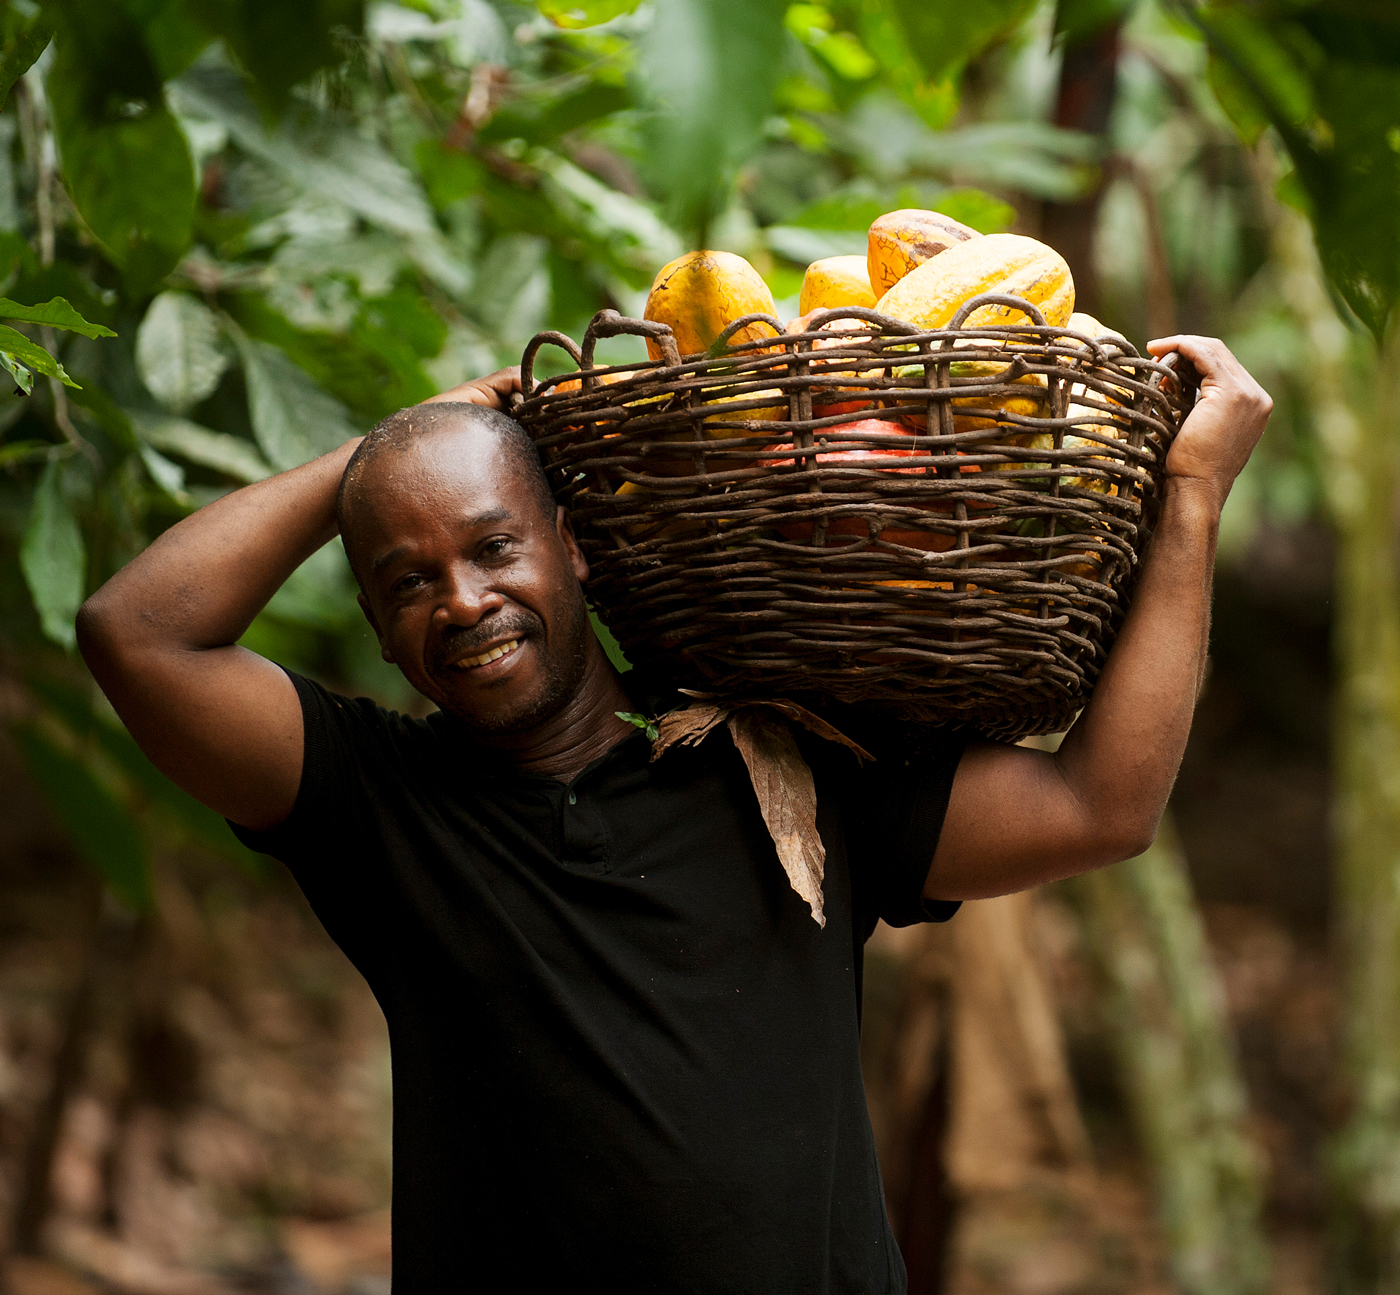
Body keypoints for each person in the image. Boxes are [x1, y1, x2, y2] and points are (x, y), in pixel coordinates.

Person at [77, 336, 1270, 1293]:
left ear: (573, 547)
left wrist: (1191, 497)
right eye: (407, 580)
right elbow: (135, 631)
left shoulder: (777, 759)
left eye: (493, 545)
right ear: (383, 631)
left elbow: (1096, 804)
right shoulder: (382, 806)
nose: (463, 599)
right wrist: (397, 446)